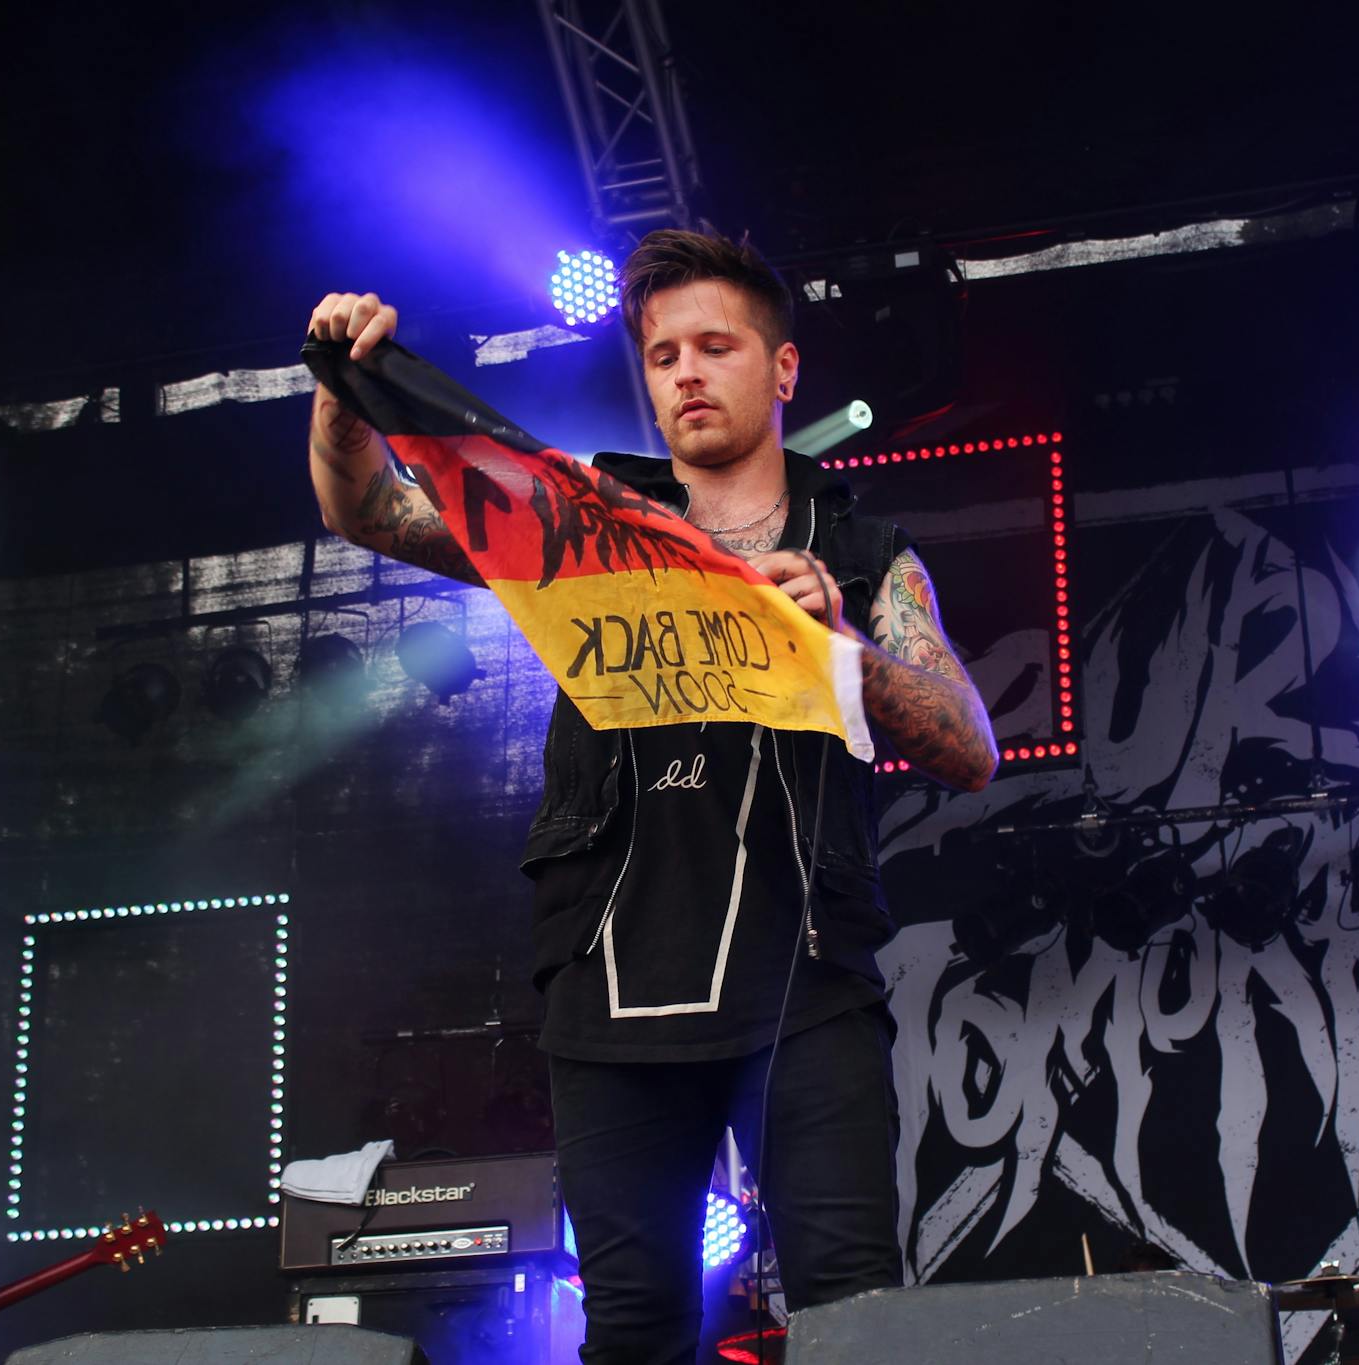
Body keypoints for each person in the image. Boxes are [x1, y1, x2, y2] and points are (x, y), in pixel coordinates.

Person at [306, 229, 997, 1364]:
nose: (685, 373)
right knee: (631, 1327)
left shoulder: (864, 552)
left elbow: (970, 746)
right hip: (609, 977)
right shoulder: (586, 519)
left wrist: (838, 651)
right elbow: (371, 513)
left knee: (853, 1313)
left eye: (716, 346)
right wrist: (343, 391)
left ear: (782, 368)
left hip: (806, 980)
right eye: (663, 353)